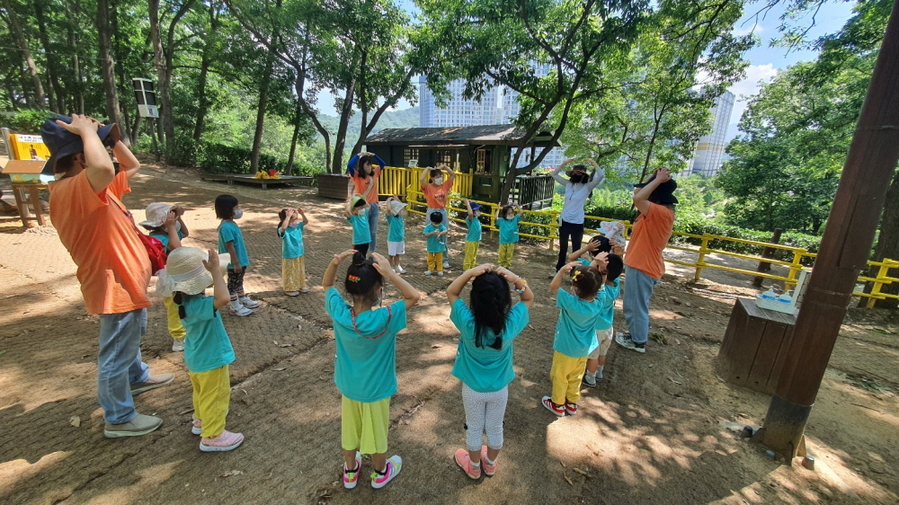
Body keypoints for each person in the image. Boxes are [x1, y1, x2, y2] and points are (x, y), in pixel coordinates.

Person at [44, 114, 173, 438]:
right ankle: (118, 417)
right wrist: (87, 131)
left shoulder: (96, 188)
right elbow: (102, 168)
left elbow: (131, 167)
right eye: (96, 146)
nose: (105, 152)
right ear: (79, 157)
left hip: (128, 281)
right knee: (115, 351)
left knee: (129, 338)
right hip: (113, 284)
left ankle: (136, 377)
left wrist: (111, 137)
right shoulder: (72, 189)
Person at [323, 250, 420, 490]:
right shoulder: (385, 318)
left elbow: (326, 285)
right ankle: (380, 472)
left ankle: (351, 471)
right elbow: (413, 296)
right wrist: (389, 272)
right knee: (376, 432)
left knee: (350, 428)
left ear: (348, 289)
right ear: (378, 291)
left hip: (349, 386)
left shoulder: (339, 312)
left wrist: (335, 262)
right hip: (376, 389)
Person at [446, 264, 533, 479]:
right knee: (495, 428)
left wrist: (468, 273)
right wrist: (515, 279)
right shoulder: (509, 325)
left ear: (475, 299)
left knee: (474, 428)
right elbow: (528, 299)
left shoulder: (467, 323)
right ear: (504, 301)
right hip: (499, 389)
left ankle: (474, 466)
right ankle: (491, 463)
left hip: (472, 389)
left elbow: (452, 292)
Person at [160, 247, 244, 452]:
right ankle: (213, 435)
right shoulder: (198, 305)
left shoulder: (182, 303)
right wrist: (216, 272)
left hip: (197, 359)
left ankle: (200, 421)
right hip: (211, 359)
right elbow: (223, 299)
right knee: (215, 395)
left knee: (201, 393)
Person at [615, 167, 677, 354]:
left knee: (635, 306)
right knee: (633, 304)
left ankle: (638, 341)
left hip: (643, 266)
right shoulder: (652, 212)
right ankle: (635, 336)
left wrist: (657, 180)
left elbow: (637, 198)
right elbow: (638, 194)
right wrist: (654, 178)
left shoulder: (661, 213)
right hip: (640, 263)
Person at [542, 262, 604, 417]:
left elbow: (554, 287)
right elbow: (600, 286)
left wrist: (562, 271)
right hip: (584, 349)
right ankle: (571, 402)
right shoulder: (599, 302)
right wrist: (599, 268)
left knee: (560, 375)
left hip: (566, 348)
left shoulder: (570, 302)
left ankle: (557, 404)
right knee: (576, 376)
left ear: (575, 289)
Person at [140, 202, 190, 352]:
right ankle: (178, 338)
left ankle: (185, 331)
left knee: (184, 305)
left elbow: (186, 233)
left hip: (180, 275)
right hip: (170, 279)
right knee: (175, 307)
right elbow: (176, 247)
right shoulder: (159, 238)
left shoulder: (170, 233)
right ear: (163, 222)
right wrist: (171, 227)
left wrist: (178, 218)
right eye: (172, 218)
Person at [550, 158, 604, 275]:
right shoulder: (568, 184)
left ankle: (575, 273)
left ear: (584, 175)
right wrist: (564, 163)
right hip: (564, 221)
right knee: (563, 248)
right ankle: (558, 270)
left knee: (577, 249)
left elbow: (600, 176)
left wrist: (593, 163)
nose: (576, 174)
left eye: (579, 173)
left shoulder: (587, 187)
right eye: (575, 172)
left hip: (577, 222)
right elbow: (554, 174)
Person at [216, 195, 260, 317]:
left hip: (240, 259)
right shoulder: (226, 227)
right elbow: (230, 246)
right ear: (228, 209)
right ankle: (235, 306)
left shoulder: (231, 223)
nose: (239, 210)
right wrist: (235, 263)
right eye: (236, 207)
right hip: (234, 262)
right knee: (233, 284)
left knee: (239, 281)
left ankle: (241, 298)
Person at [583, 254, 623, 387]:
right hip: (608, 328)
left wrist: (596, 262)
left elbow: (586, 275)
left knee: (593, 356)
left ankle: (590, 378)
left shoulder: (599, 291)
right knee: (602, 353)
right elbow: (613, 273)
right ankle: (599, 373)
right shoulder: (615, 286)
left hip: (596, 329)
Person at [347, 152, 386, 253]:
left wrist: (374, 155)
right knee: (363, 231)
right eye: (367, 165)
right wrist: (358, 155)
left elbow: (382, 164)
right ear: (362, 165)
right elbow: (349, 165)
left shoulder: (375, 173)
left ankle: (372, 253)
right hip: (362, 207)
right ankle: (360, 252)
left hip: (374, 206)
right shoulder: (357, 176)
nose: (369, 167)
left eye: (370, 165)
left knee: (373, 232)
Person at [419, 165, 456, 268]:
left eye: (440, 176)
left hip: (442, 211)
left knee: (443, 234)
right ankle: (431, 258)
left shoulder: (444, 186)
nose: (439, 178)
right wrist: (427, 169)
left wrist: (445, 167)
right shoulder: (428, 187)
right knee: (431, 234)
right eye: (436, 176)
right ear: (432, 178)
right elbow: (421, 179)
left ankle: (444, 259)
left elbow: (453, 175)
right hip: (431, 211)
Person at [278, 206, 309, 296]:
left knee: (299, 270)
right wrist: (287, 217)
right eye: (293, 212)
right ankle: (289, 288)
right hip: (289, 254)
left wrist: (302, 214)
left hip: (299, 253)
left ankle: (300, 285)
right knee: (290, 271)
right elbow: (283, 228)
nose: (295, 212)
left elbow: (306, 222)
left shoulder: (298, 226)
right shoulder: (284, 229)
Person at [385, 196, 407, 274]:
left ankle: (398, 266)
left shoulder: (400, 217)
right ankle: (389, 267)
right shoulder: (391, 218)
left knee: (398, 254)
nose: (401, 210)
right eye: (399, 209)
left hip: (400, 239)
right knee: (391, 255)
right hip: (392, 239)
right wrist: (388, 202)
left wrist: (398, 201)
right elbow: (388, 210)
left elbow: (404, 210)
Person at [423, 211, 448, 276]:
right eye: (435, 223)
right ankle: (430, 269)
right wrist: (432, 233)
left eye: (438, 223)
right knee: (430, 259)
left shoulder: (441, 226)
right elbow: (425, 235)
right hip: (431, 246)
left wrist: (440, 234)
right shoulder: (428, 227)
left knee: (439, 259)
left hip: (439, 246)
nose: (437, 225)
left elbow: (445, 231)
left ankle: (440, 270)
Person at [495, 204, 520, 268]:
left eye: (512, 213)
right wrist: (498, 209)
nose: (511, 214)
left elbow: (521, 212)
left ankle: (507, 266)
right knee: (502, 254)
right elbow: (496, 218)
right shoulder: (501, 220)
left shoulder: (515, 219)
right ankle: (501, 265)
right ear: (505, 214)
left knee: (509, 254)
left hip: (511, 241)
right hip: (503, 240)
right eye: (509, 213)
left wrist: (516, 205)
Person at [462, 199, 483, 270]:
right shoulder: (469, 219)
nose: (478, 211)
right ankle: (466, 269)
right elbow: (470, 214)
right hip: (471, 241)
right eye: (477, 210)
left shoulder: (476, 219)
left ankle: (472, 268)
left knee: (474, 255)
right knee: (469, 255)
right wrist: (467, 204)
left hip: (476, 240)